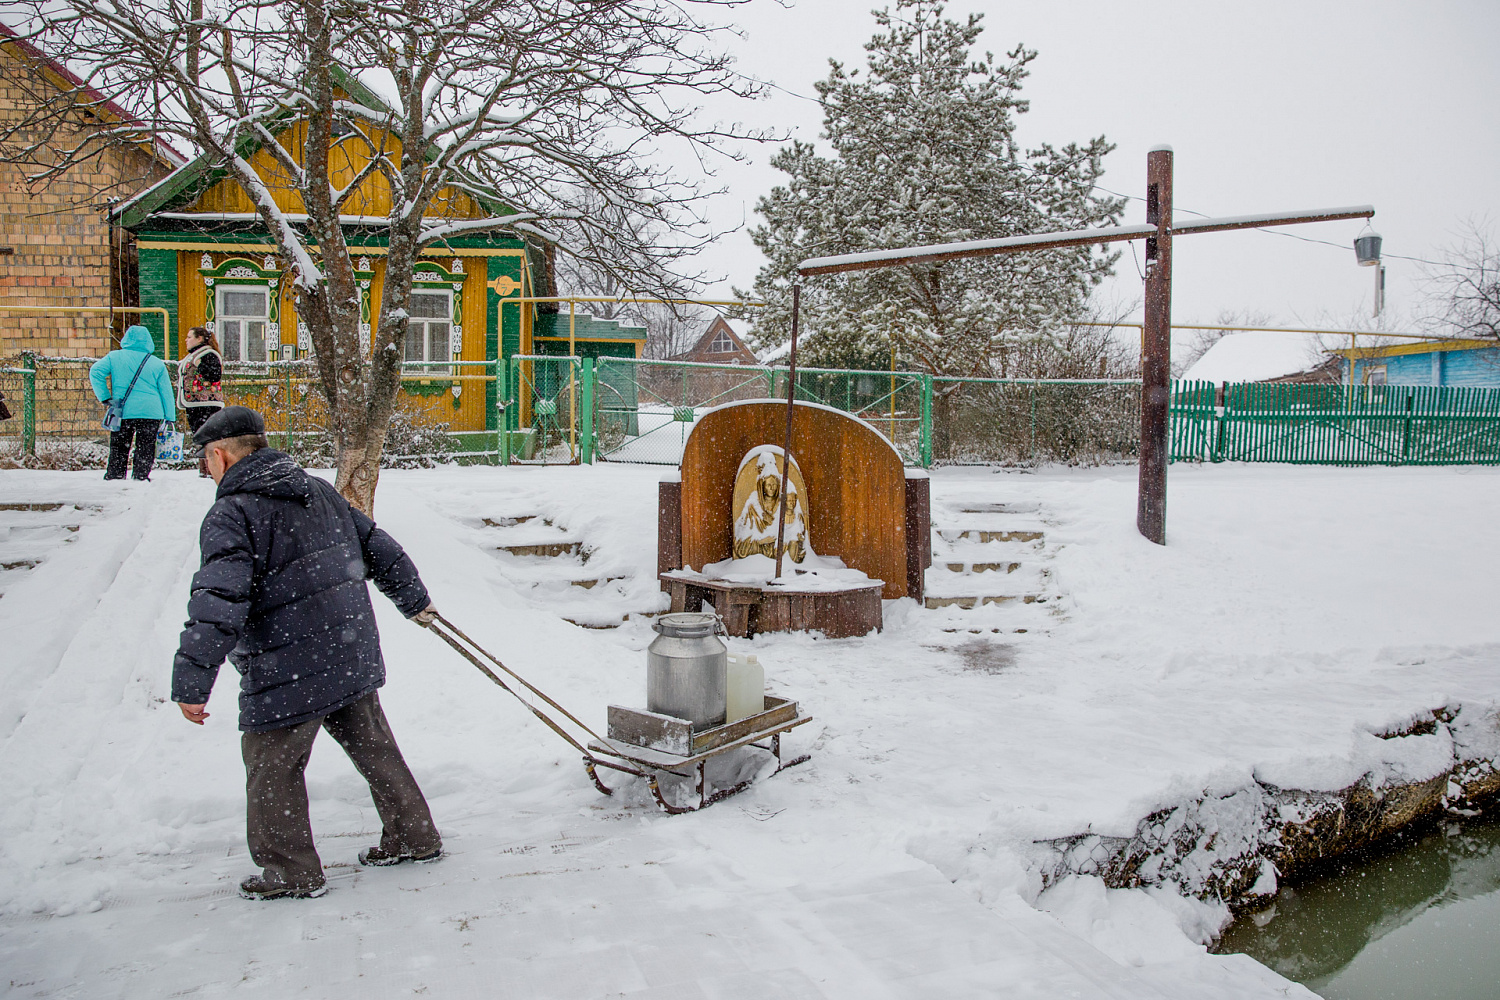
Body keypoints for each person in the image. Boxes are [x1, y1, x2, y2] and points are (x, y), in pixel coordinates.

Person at [172, 406, 443, 901]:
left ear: (221, 454)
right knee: (373, 747)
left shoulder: (230, 512)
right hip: (346, 646)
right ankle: (413, 835)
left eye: (206, 461)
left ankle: (291, 870)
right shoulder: (315, 488)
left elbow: (218, 601)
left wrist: (192, 683)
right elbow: (377, 545)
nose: (206, 470)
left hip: (286, 664)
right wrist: (414, 599)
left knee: (271, 765)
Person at [89, 324, 176, 481]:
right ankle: (141, 476)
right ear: (148, 341)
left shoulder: (114, 357)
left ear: (126, 339)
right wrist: (169, 415)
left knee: (119, 445)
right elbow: (166, 392)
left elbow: (96, 372)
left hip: (123, 410)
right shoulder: (156, 363)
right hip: (151, 411)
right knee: (146, 446)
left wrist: (105, 397)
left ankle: (115, 474)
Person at [177, 326, 224, 477]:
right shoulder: (196, 354)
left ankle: (211, 469)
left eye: (189, 337)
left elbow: (214, 375)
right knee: (202, 436)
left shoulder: (208, 354)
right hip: (196, 403)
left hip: (206, 404)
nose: (186, 340)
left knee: (208, 437)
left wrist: (199, 364)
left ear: (199, 339)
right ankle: (205, 469)